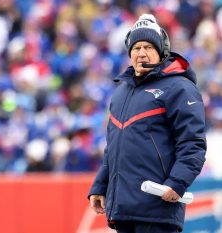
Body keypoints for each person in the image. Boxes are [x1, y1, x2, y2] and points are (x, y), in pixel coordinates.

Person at [88, 14, 206, 233]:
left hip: (158, 206)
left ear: (162, 51)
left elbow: (193, 144)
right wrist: (100, 186)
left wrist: (177, 182)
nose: (141, 53)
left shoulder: (180, 87)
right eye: (136, 47)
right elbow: (114, 147)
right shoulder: (121, 92)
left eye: (149, 47)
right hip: (123, 209)